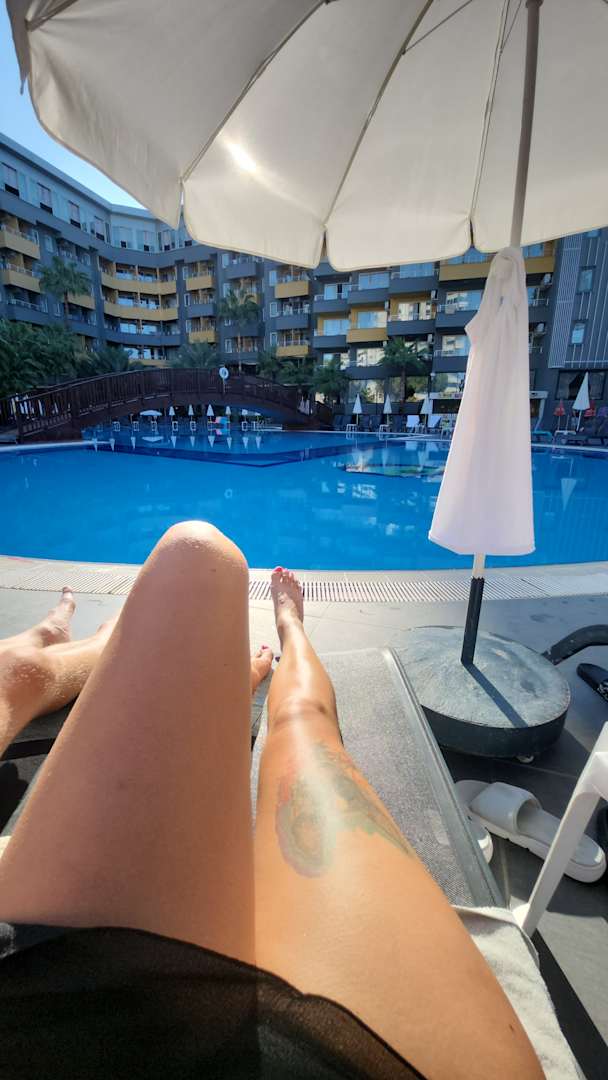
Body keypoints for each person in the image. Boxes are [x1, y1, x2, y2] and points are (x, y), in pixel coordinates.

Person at [0, 523, 542, 1079]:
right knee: (287, 699)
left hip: (49, 1006)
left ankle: (99, 661)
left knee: (193, 564)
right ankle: (289, 634)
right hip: (339, 1053)